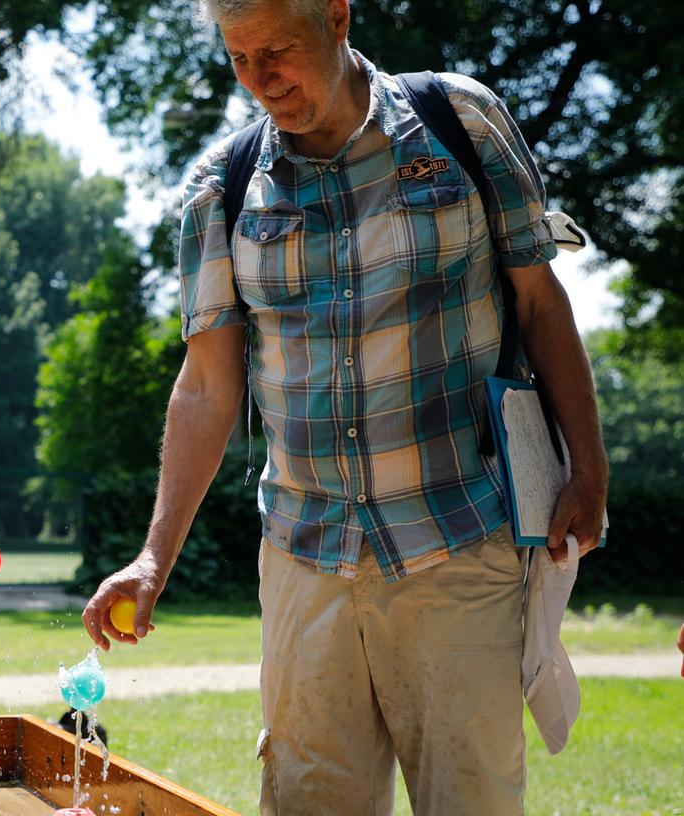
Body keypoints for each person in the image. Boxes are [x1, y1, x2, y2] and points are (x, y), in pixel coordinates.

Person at [81, 1, 607, 813]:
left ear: (335, 16)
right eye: (239, 58)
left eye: (278, 51)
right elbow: (206, 383)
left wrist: (589, 465)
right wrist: (153, 557)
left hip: (459, 542)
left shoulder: (459, 121)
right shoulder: (218, 190)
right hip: (303, 560)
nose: (260, 80)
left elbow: (540, 303)